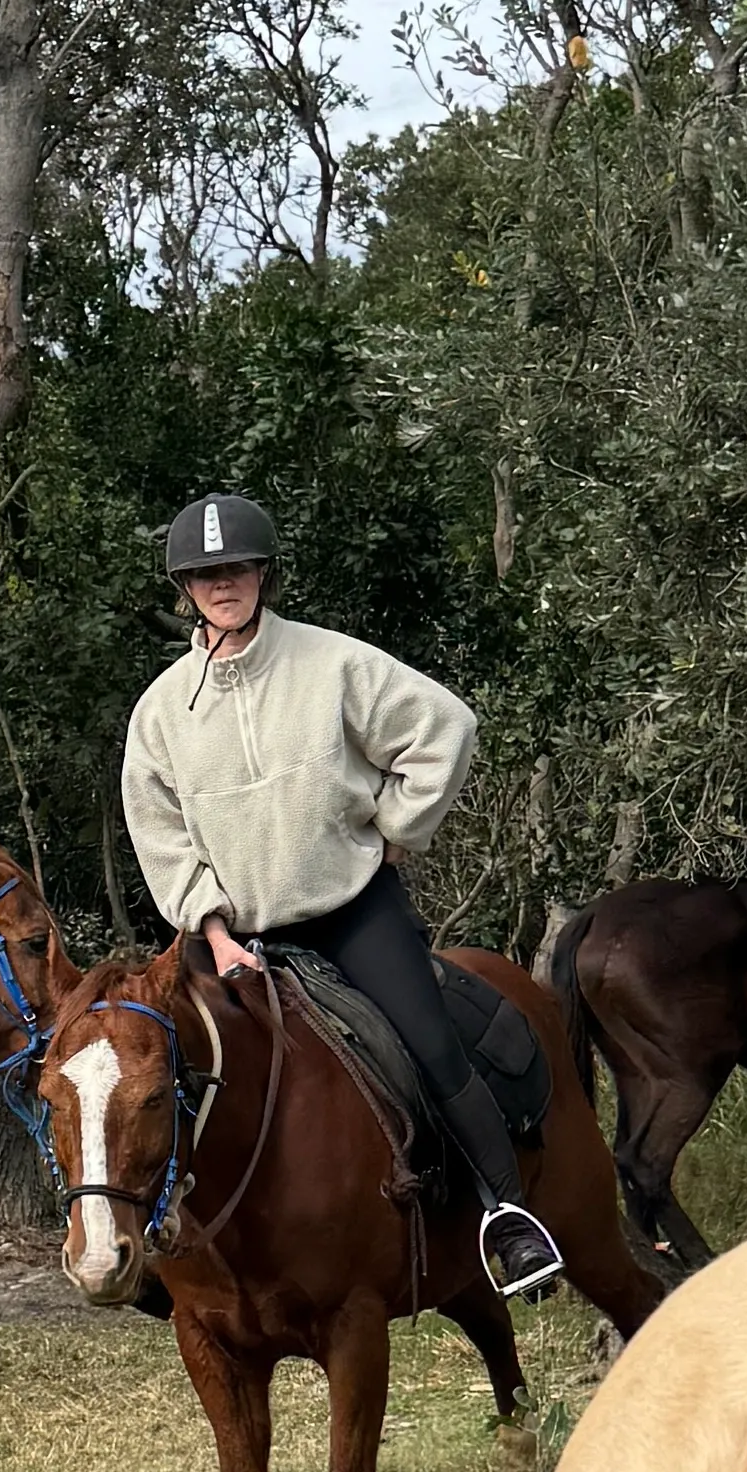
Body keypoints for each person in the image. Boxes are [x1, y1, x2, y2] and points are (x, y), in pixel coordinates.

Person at [118, 491, 567, 1297]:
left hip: (351, 914)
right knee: (150, 1065)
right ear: (186, 588)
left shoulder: (336, 664)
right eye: (207, 574)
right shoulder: (159, 715)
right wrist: (212, 932)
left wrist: (397, 826)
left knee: (431, 1045)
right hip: (230, 936)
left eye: (239, 568)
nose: (226, 584)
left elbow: (446, 728)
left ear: (264, 573)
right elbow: (161, 831)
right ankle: (161, 1247)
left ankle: (508, 1220)